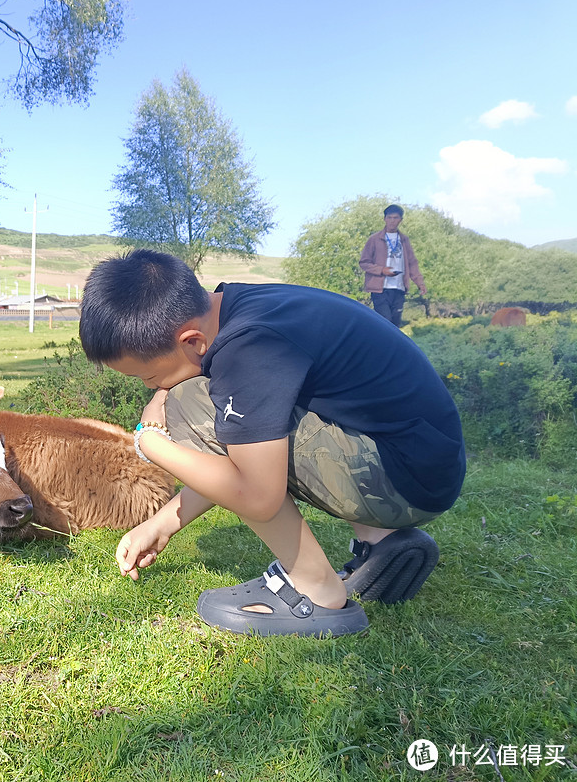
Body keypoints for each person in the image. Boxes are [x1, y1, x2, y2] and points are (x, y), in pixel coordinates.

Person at [78, 249, 465, 637]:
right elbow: (237, 448)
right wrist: (162, 524)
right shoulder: (233, 307)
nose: (151, 389)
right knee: (197, 401)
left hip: (405, 479)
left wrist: (151, 442)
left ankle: (315, 591)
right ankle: (379, 539)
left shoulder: (248, 350)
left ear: (192, 341)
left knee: (186, 402)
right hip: (418, 463)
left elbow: (256, 492)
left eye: (147, 377)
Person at [359, 203, 426, 326]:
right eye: (389, 218)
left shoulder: (404, 240)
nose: (392, 221)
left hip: (399, 287)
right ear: (384, 219)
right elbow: (364, 263)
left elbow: (412, 264)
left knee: (395, 324)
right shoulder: (374, 239)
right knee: (385, 322)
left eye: (395, 218)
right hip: (380, 289)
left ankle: (390, 345)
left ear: (401, 220)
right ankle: (379, 345)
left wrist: (420, 283)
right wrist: (381, 270)